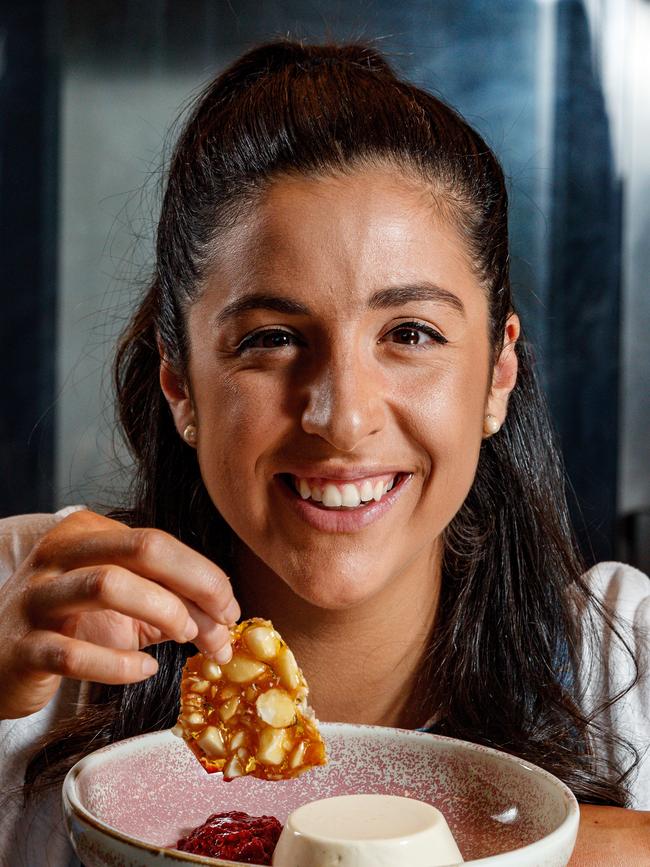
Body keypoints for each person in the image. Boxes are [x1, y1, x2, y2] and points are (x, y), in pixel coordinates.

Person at [1, 39, 649, 865]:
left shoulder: (623, 663)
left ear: (498, 372)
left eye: (410, 333)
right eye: (272, 338)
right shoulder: (33, 620)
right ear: (180, 384)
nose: (341, 419)